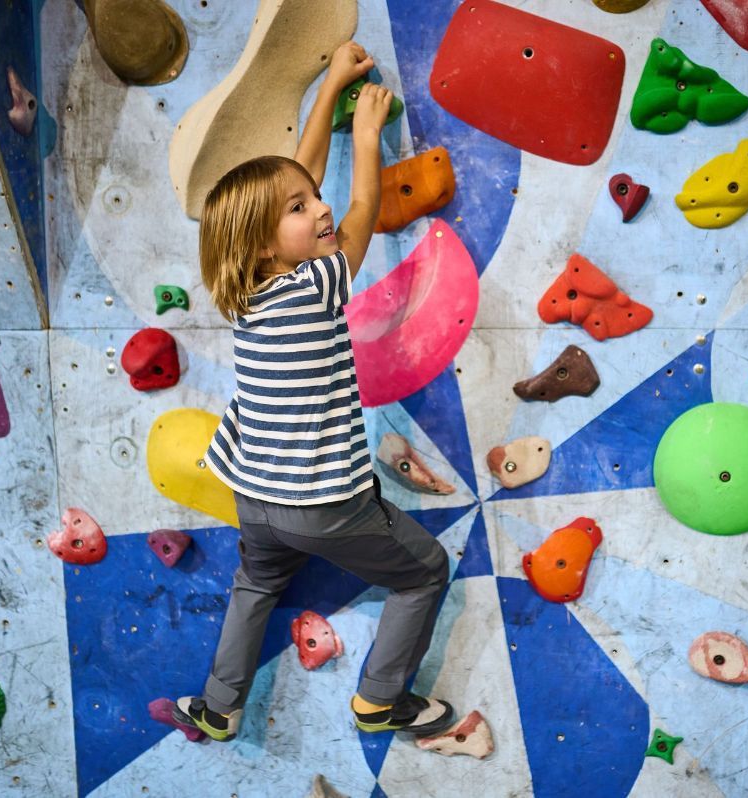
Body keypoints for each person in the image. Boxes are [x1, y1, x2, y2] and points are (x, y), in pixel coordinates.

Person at [172, 42, 454, 744]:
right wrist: (364, 136)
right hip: (321, 504)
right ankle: (380, 700)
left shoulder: (243, 291)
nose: (319, 210)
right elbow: (362, 206)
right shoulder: (316, 282)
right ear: (268, 243)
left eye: (312, 199)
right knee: (425, 572)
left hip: (255, 494)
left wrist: (328, 88)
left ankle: (219, 706)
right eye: (302, 211)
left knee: (257, 585)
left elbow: (290, 184)